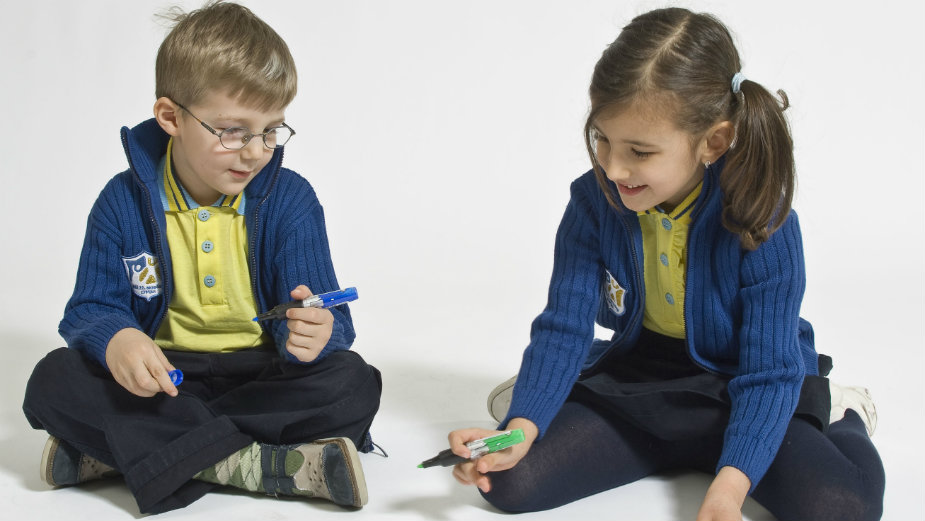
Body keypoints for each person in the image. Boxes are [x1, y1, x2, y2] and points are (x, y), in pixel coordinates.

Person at [448, 8, 884, 521]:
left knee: (841, 507)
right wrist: (523, 424)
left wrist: (730, 486)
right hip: (643, 380)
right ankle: (556, 401)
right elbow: (563, 323)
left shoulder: (763, 219)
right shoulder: (592, 201)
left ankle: (838, 407)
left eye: (640, 151)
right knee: (506, 483)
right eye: (602, 139)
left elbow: (767, 368)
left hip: (742, 382)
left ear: (712, 142)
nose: (613, 167)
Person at [22, 1, 381, 514]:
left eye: (271, 130)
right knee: (53, 381)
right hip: (161, 379)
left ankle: (129, 453)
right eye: (232, 131)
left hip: (260, 375)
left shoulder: (291, 199)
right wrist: (118, 338)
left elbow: (329, 318)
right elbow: (88, 310)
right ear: (171, 117)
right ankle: (256, 465)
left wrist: (316, 331)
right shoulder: (121, 202)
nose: (256, 151)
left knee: (352, 383)